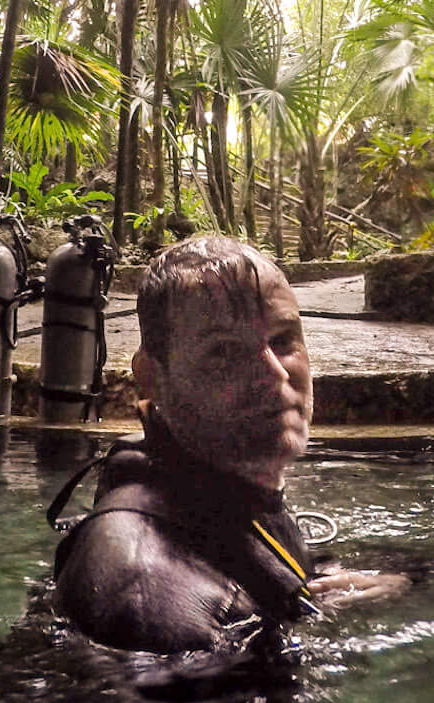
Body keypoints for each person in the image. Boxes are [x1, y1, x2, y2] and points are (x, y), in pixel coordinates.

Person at [50, 234, 402, 654]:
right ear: (151, 377)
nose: (274, 374)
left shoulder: (212, 490)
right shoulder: (149, 600)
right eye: (224, 352)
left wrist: (397, 581)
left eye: (283, 340)